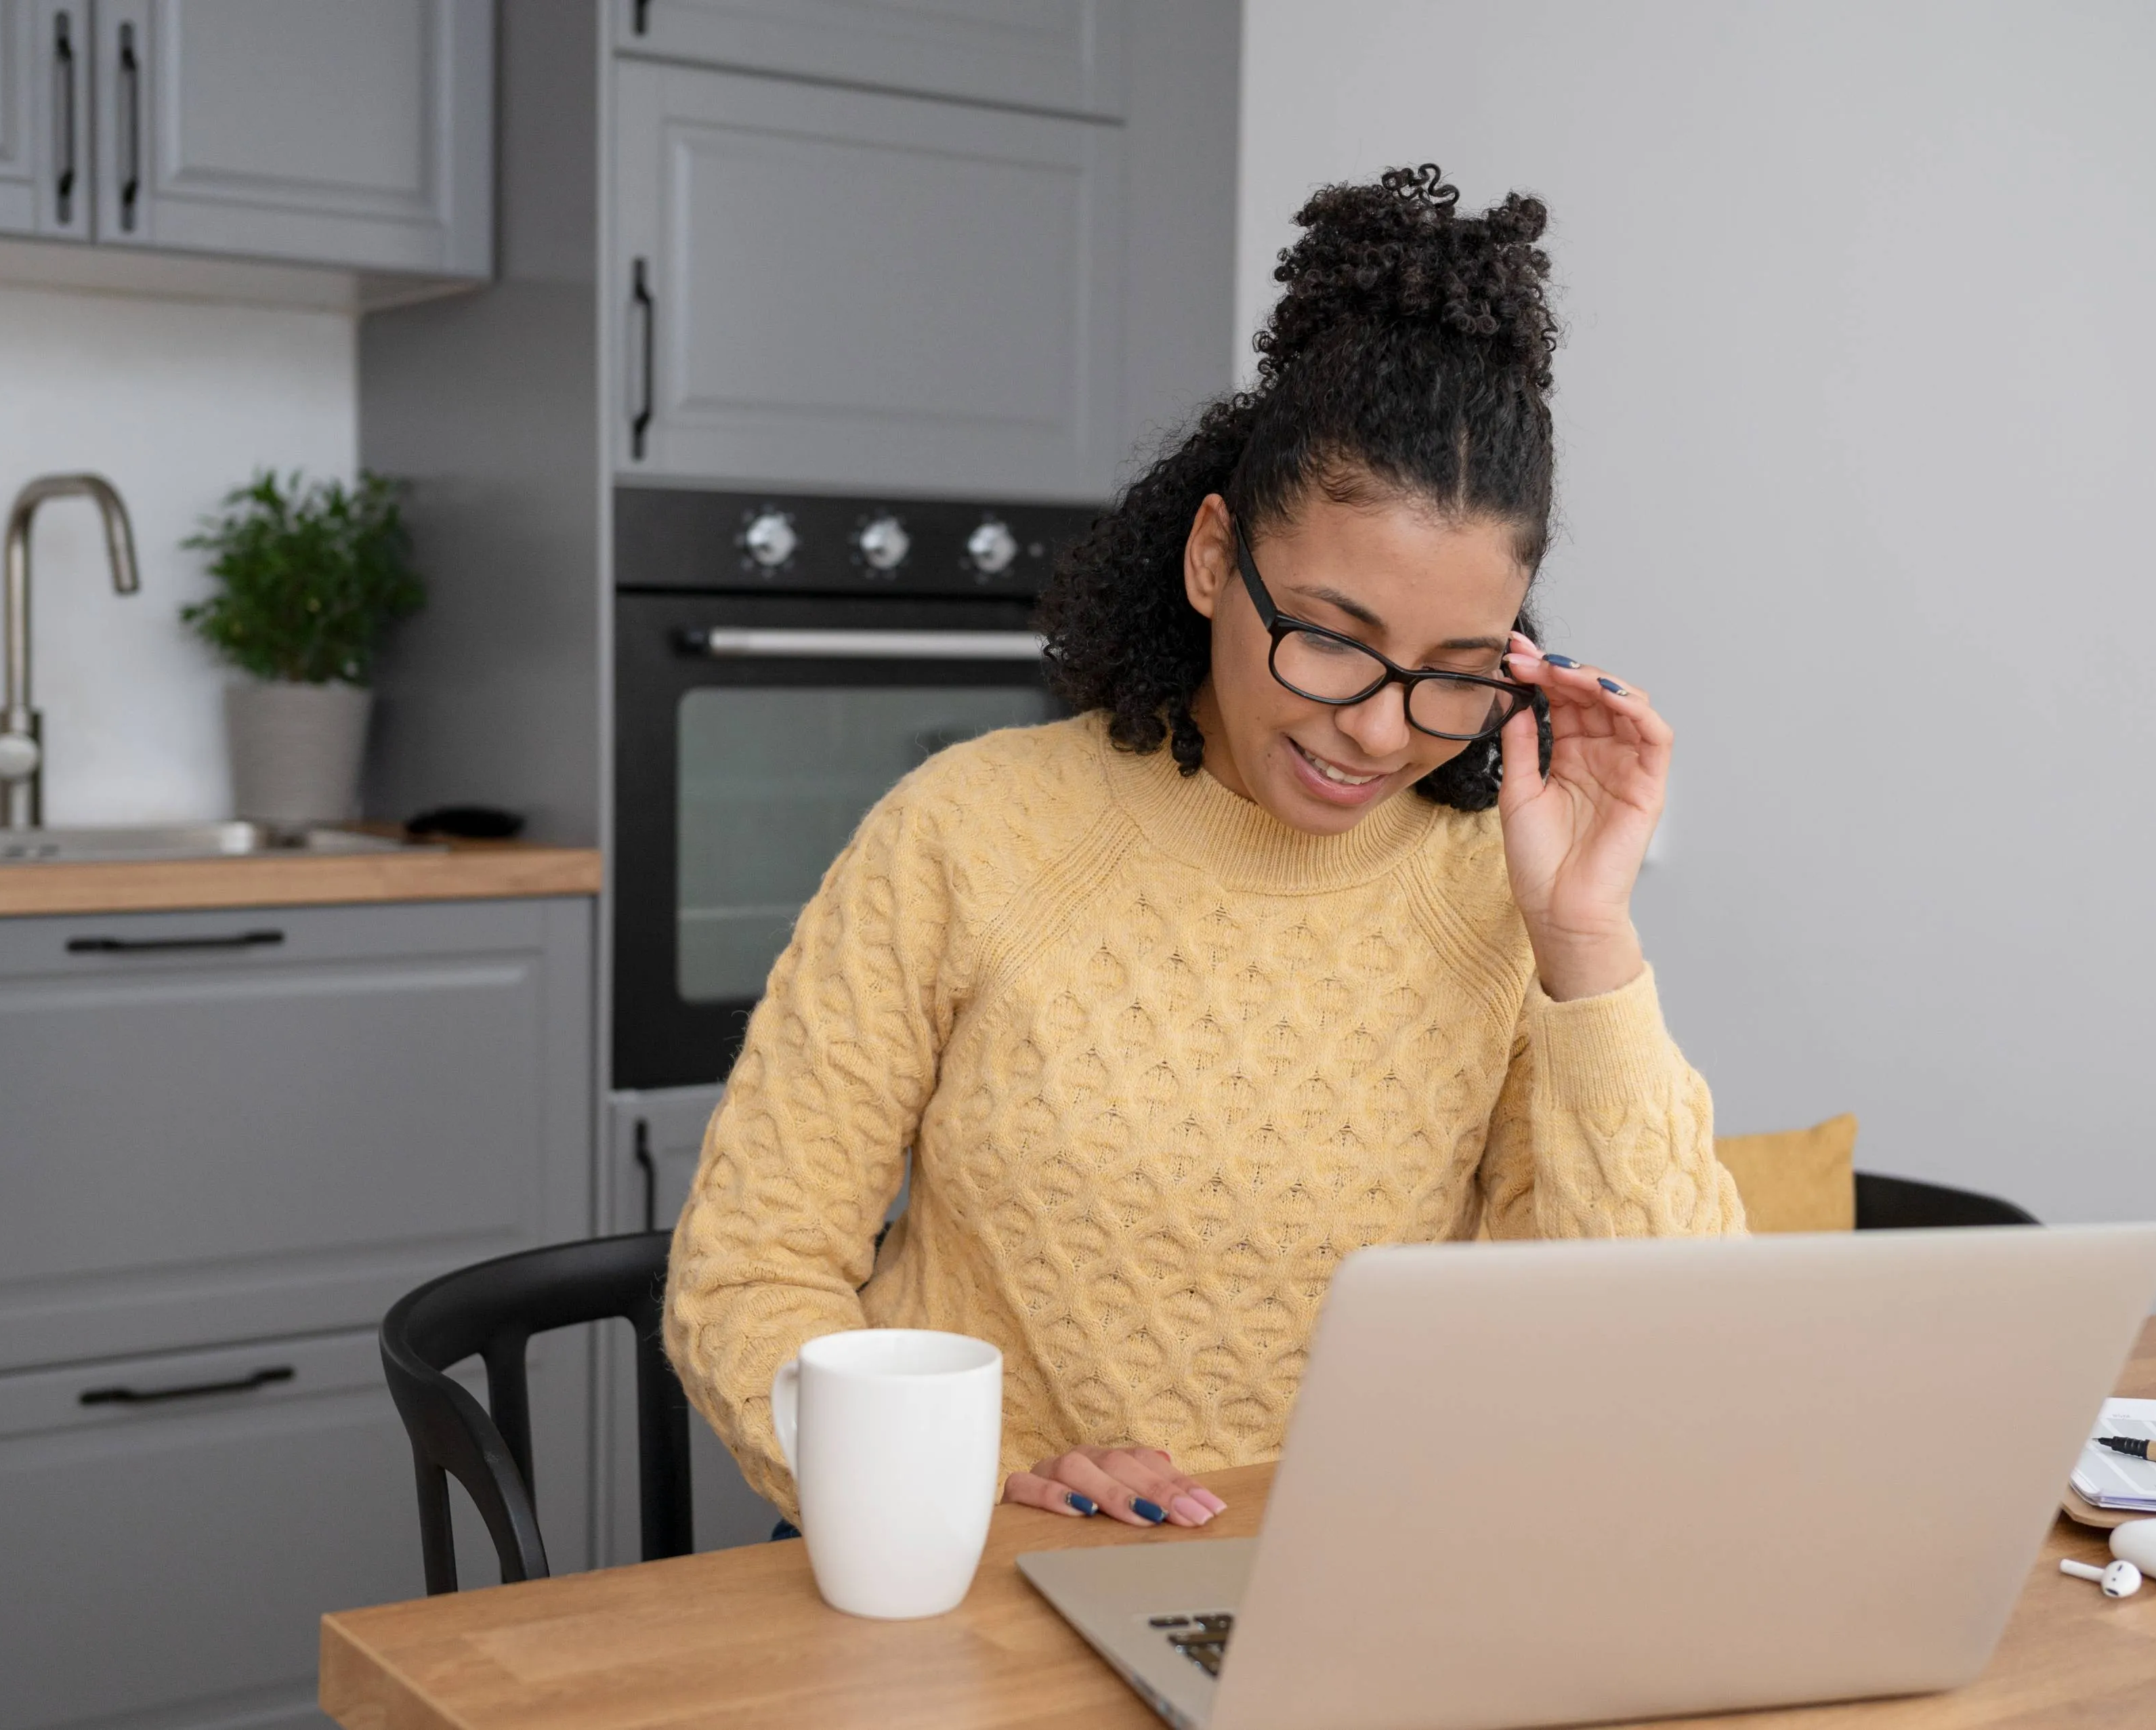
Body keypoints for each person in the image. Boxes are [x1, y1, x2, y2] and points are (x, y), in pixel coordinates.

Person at [664, 164, 1746, 1534]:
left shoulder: (1504, 904)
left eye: (1455, 672)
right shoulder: (968, 831)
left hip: (1347, 1599)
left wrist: (1587, 939)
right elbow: (748, 1270)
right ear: (1211, 556)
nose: (1375, 728)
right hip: (975, 1575)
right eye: (1336, 640)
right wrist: (971, 1489)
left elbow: (1667, 1354)